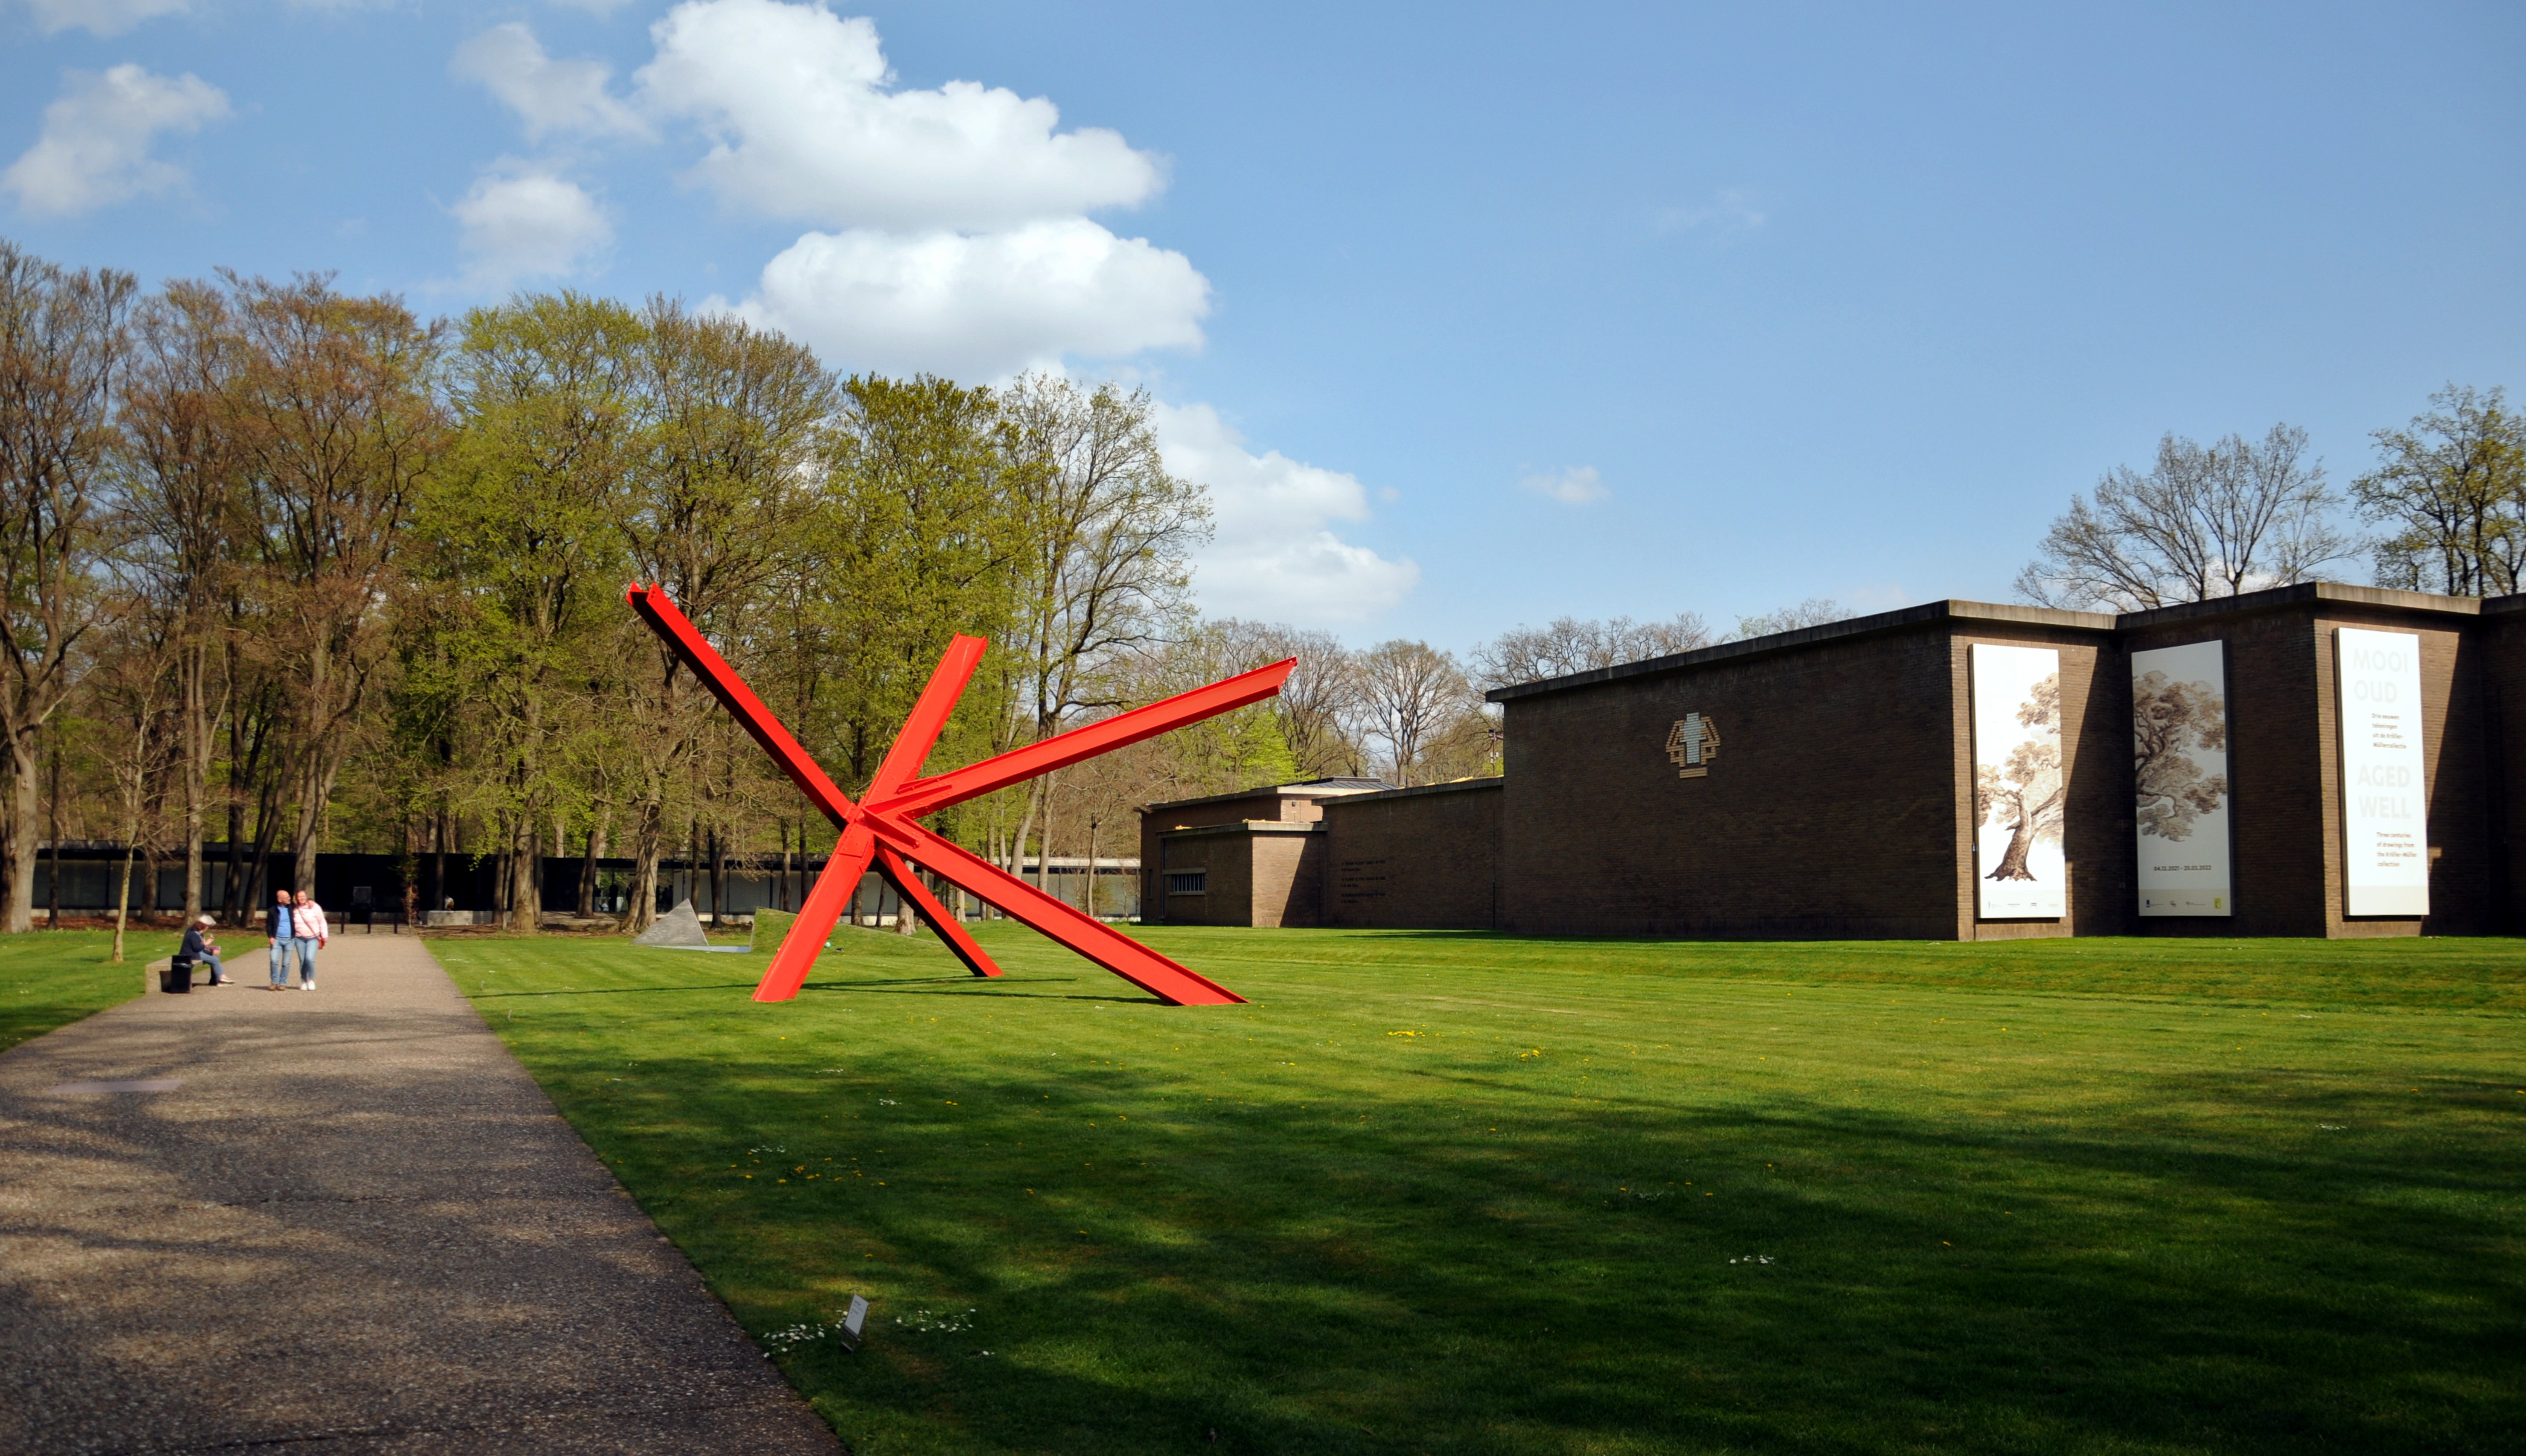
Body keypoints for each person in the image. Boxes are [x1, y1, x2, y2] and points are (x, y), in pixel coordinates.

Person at [292, 890, 328, 991]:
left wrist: (324, 935)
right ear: (296, 898)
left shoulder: (315, 907)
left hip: (313, 937)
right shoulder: (295, 909)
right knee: (302, 961)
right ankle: (304, 981)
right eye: (300, 897)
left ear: (307, 897)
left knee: (309, 959)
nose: (302, 898)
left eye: (303, 896)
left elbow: (322, 921)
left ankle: (311, 980)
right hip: (299, 938)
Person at [182, 915, 228, 986]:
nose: (208, 928)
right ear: (203, 926)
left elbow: (200, 947)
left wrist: (211, 951)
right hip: (191, 955)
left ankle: (217, 980)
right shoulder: (193, 934)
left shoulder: (198, 933)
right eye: (208, 926)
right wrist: (207, 943)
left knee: (215, 956)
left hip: (196, 953)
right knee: (215, 960)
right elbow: (197, 948)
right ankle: (221, 978)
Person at [268, 889, 296, 990]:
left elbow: (303, 902)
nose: (289, 898)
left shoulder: (292, 908)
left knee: (286, 963)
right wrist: (271, 936)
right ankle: (274, 982)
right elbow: (269, 925)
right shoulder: (273, 910)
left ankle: (282, 983)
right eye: (286, 897)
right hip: (277, 940)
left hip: (289, 940)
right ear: (280, 900)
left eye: (289, 896)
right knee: (274, 961)